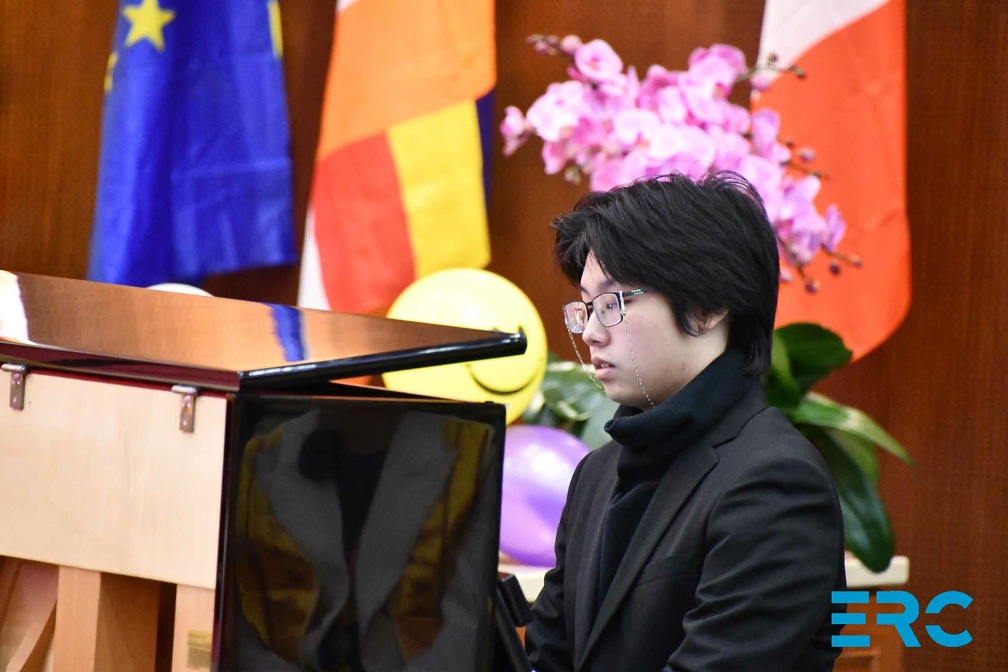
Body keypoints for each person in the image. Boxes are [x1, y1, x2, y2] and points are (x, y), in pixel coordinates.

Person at [524, 171, 846, 672]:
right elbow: (547, 656)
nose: (590, 333)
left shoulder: (776, 483)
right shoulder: (596, 474)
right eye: (586, 307)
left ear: (707, 305)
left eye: (612, 303)